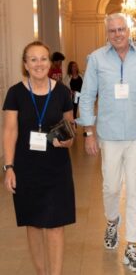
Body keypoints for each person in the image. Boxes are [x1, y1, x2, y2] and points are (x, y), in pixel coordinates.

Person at [77, 13, 136, 272]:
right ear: (107, 33)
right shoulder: (95, 59)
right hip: (108, 135)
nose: (117, 34)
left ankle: (131, 247)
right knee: (111, 186)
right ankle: (111, 221)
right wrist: (89, 133)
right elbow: (86, 97)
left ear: (129, 31)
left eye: (121, 29)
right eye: (112, 30)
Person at [2, 41, 76, 275]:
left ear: (50, 62)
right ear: (25, 64)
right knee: (33, 224)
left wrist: (68, 140)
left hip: (57, 168)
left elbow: (70, 127)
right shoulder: (15, 93)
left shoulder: (63, 91)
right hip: (26, 168)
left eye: (43, 58)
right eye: (33, 59)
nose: (39, 64)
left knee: (55, 226)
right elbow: (10, 131)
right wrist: (9, 167)